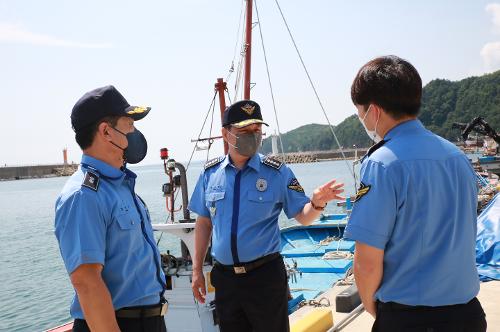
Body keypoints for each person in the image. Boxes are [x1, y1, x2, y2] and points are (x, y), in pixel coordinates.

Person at [344, 56, 486, 331]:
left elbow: (367, 264)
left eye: (360, 111)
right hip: (467, 316)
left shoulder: (381, 163)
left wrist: (384, 316)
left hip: (409, 318)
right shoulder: (457, 157)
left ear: (373, 111)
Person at [188, 99, 345, 332]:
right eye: (244, 131)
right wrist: (196, 270)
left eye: (257, 131)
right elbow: (203, 222)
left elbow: (303, 216)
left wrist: (317, 203)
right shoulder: (210, 174)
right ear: (225, 133)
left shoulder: (278, 172)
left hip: (265, 278)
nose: (252, 136)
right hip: (225, 280)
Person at [54, 85, 167, 332]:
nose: (135, 133)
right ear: (106, 132)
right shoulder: (83, 195)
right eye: (130, 126)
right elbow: (86, 281)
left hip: (149, 321)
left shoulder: (118, 184)